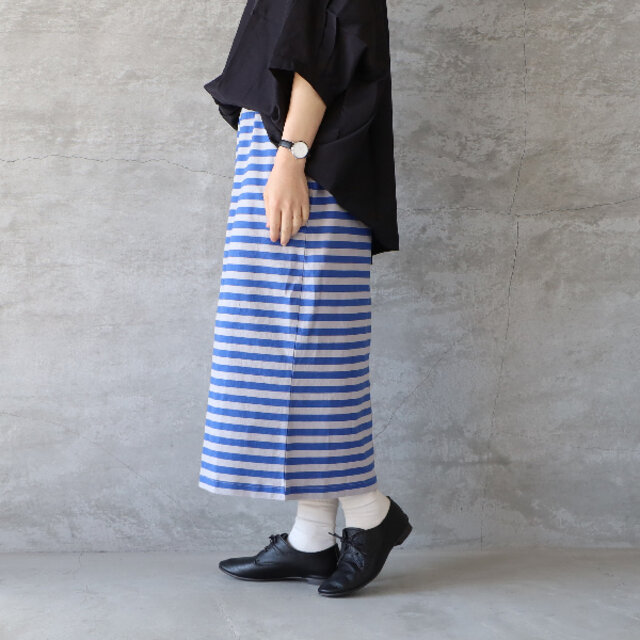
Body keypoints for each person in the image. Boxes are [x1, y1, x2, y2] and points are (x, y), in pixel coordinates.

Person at [198, 0, 411, 597]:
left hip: (307, 157)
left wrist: (291, 158)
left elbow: (324, 49)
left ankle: (370, 511)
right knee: (295, 349)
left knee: (305, 352)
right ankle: (312, 538)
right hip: (286, 150)